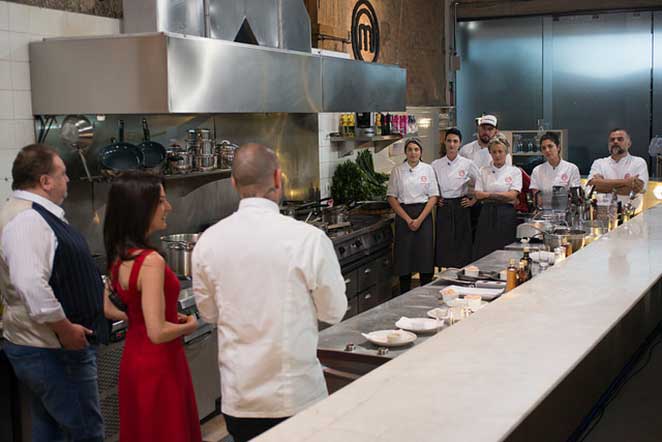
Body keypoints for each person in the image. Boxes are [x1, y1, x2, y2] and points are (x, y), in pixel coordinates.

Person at [192, 144, 347, 442]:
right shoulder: (309, 239)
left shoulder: (208, 243)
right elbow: (334, 311)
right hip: (296, 395)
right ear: (278, 178)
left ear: (233, 183)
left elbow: (209, 314)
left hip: (240, 401)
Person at [0, 144, 106, 441]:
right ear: (45, 181)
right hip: (53, 349)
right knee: (85, 432)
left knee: (51, 429)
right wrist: (65, 330)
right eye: (63, 173)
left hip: (46, 347)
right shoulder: (28, 220)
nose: (68, 179)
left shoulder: (37, 214)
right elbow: (31, 284)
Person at [103, 171, 201, 442]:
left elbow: (109, 308)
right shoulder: (151, 261)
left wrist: (143, 315)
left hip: (134, 362)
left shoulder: (119, 254)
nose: (167, 207)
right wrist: (192, 324)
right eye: (161, 201)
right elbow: (157, 332)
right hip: (160, 365)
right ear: (140, 207)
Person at [387, 138, 439, 293]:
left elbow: (433, 197)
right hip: (404, 217)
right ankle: (404, 292)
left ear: (421, 152)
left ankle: (425, 291)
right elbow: (391, 197)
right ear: (405, 152)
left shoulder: (428, 169)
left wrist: (420, 219)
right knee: (404, 257)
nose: (413, 153)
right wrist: (408, 219)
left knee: (425, 255)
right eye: (410, 149)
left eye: (416, 149)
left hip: (424, 216)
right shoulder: (397, 170)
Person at [431, 128, 479, 268]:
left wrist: (473, 200)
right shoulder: (436, 164)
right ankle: (443, 273)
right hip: (443, 206)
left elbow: (481, 183)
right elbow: (431, 186)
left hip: (461, 205)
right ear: (444, 142)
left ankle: (462, 271)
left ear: (460, 144)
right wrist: (436, 198)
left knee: (462, 241)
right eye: (449, 141)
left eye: (455, 141)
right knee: (444, 241)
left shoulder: (467, 164)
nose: (452, 144)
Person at [471, 134, 522, 260]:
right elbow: (478, 194)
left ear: (506, 153)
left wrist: (488, 194)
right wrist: (502, 195)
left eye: (500, 151)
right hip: (487, 213)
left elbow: (512, 195)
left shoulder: (514, 171)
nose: (497, 155)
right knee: (484, 250)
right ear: (490, 153)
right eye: (494, 152)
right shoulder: (483, 171)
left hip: (506, 214)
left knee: (506, 250)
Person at [587, 128, 649, 214]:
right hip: (603, 215)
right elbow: (594, 186)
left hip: (632, 216)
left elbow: (636, 189)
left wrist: (604, 185)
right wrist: (626, 182)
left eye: (620, 139)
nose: (615, 142)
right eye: (612, 140)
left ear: (629, 143)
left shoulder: (638, 162)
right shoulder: (599, 163)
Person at [529, 132, 581, 209]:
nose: (547, 150)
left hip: (566, 213)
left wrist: (547, 197)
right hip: (544, 214)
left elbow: (574, 197)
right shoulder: (537, 170)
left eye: (550, 146)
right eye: (543, 148)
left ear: (558, 147)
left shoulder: (572, 168)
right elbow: (537, 199)